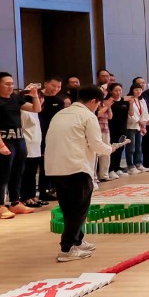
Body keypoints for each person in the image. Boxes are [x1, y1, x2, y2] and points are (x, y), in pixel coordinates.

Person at [46, 84, 113, 263]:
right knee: (78, 209)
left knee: (68, 208)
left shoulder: (61, 113)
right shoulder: (88, 116)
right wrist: (110, 149)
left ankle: (77, 241)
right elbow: (96, 144)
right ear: (93, 101)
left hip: (55, 167)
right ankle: (67, 248)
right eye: (98, 104)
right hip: (76, 167)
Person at [0, 72, 28, 219]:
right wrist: (0, 144)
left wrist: (34, 95)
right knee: (2, 174)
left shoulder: (15, 99)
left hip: (18, 140)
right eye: (7, 84)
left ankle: (15, 202)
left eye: (12, 84)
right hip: (4, 140)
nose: (11, 86)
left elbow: (36, 109)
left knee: (17, 172)